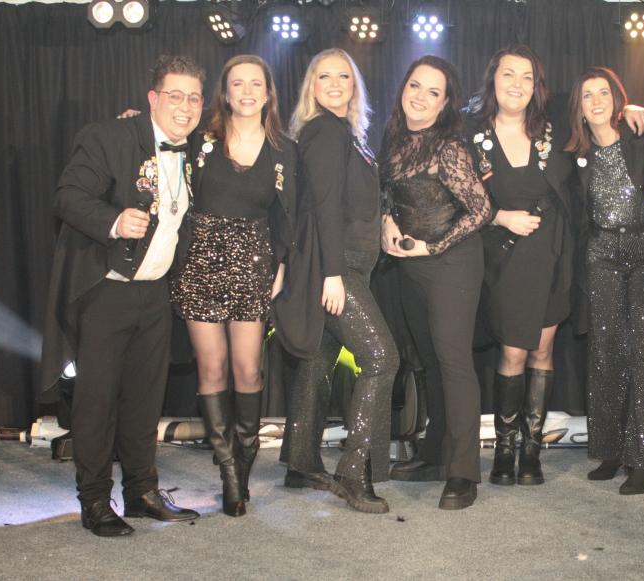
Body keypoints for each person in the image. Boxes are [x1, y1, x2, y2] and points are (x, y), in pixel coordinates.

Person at [39, 55, 204, 537]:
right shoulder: (108, 136)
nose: (185, 107)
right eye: (175, 96)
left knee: (144, 401)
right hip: (106, 292)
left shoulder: (192, 152)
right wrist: (113, 221)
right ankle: (94, 500)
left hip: (154, 295)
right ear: (153, 98)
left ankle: (141, 492)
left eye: (194, 98)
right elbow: (68, 196)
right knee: (97, 402)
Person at [171, 55, 296, 517]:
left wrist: (281, 266)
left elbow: (289, 216)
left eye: (255, 83)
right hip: (201, 262)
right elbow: (157, 145)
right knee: (213, 367)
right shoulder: (200, 140)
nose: (246, 91)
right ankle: (227, 472)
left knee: (248, 370)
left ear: (268, 93)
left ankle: (243, 464)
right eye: (237, 83)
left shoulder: (284, 150)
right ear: (225, 92)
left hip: (253, 263)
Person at [278, 48, 398, 514]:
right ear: (312, 86)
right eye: (323, 76)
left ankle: (301, 462)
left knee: (318, 360)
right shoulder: (325, 130)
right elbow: (325, 206)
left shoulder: (345, 133)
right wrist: (331, 275)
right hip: (336, 266)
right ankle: (352, 470)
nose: (333, 84)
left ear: (354, 85)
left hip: (346, 263)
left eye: (342, 76)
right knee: (382, 358)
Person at [381, 55, 493, 510]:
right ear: (403, 88)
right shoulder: (394, 140)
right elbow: (387, 192)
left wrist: (434, 247)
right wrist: (387, 220)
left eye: (433, 92)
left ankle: (463, 472)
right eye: (415, 86)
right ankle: (434, 455)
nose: (420, 97)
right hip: (410, 268)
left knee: (453, 363)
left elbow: (482, 210)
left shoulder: (449, 148)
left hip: (453, 265)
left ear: (445, 103)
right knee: (428, 362)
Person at [462, 46, 573, 487]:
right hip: (503, 256)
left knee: (543, 351)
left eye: (527, 77)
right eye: (509, 74)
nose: (517, 84)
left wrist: (638, 111)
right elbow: (455, 193)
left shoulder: (553, 125)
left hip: (553, 251)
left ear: (536, 86)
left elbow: (598, 108)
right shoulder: (469, 132)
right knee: (512, 351)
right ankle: (504, 449)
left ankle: (532, 450)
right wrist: (500, 217)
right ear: (493, 78)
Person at [564, 67, 644, 494]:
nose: (596, 101)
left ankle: (643, 459)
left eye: (603, 93)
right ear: (579, 107)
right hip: (601, 254)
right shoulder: (573, 153)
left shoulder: (641, 137)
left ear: (617, 99)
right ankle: (609, 451)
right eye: (587, 95)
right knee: (606, 353)